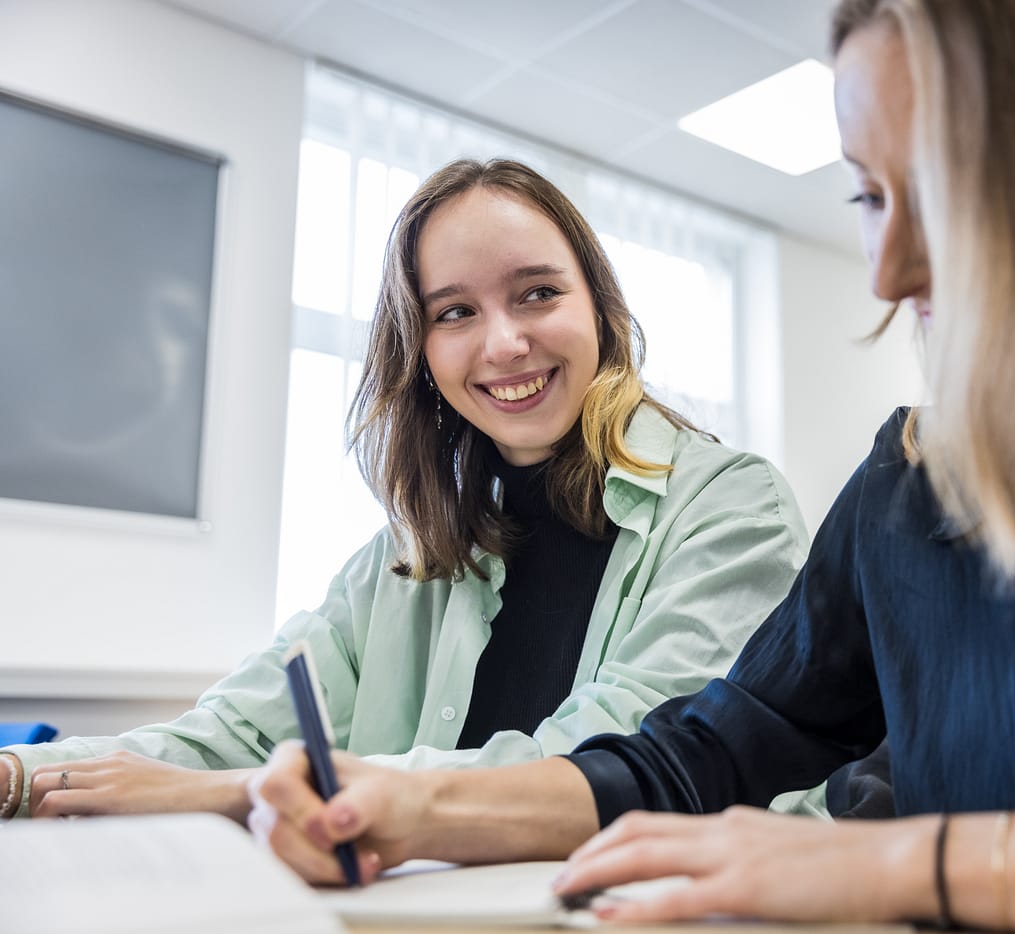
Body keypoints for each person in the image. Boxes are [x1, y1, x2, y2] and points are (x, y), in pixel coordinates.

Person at [245, 3, 1015, 931]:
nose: (888, 268)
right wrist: (419, 804)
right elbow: (708, 748)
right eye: (864, 195)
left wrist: (896, 864)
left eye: (935, 183)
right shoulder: (906, 490)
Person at [0, 159, 810, 822]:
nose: (504, 342)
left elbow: (626, 761)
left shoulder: (732, 509)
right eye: (454, 312)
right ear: (419, 353)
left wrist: (255, 792)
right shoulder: (402, 560)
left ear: (599, 305)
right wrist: (17, 774)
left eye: (538, 292)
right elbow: (229, 734)